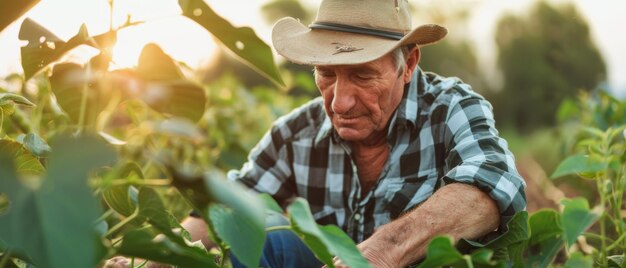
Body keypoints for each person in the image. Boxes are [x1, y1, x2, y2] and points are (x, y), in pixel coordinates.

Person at [106, 0, 526, 267]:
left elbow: (494, 183)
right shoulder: (295, 133)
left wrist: (380, 254)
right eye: (326, 75)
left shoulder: (450, 106)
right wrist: (158, 255)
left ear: (409, 63)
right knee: (257, 236)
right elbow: (230, 204)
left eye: (363, 75)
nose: (340, 102)